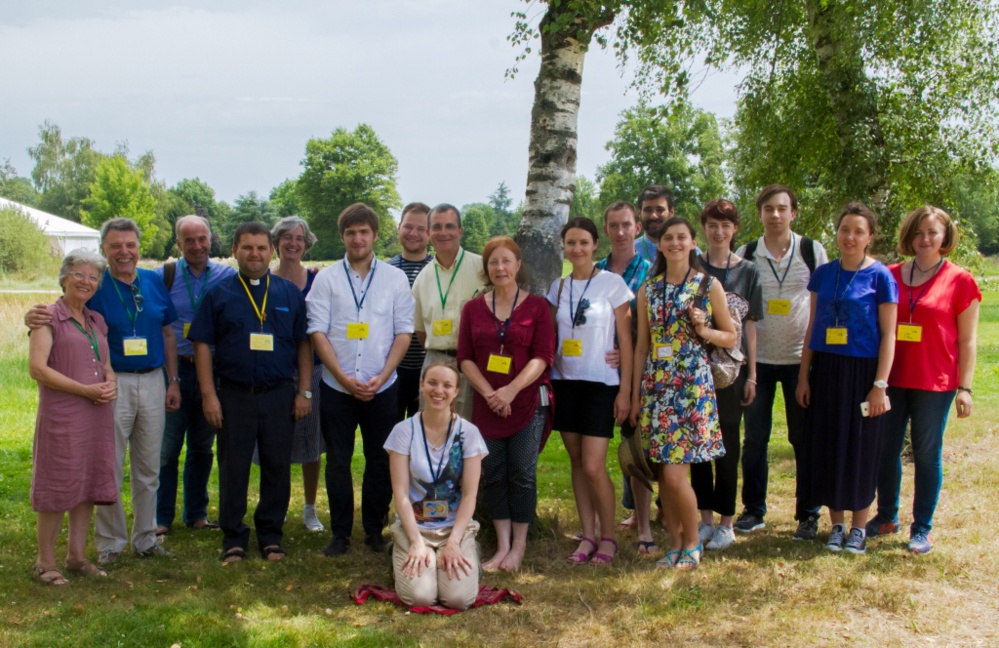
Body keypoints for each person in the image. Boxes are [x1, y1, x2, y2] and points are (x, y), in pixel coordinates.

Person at [26, 218, 181, 565]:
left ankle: (146, 538)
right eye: (115, 246)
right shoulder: (97, 283)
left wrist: (173, 380)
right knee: (109, 463)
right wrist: (32, 317)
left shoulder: (154, 281)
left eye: (130, 245)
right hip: (112, 384)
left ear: (139, 247)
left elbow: (168, 333)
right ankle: (110, 543)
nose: (124, 252)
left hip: (154, 379)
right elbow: (66, 308)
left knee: (149, 465)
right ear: (104, 250)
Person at [188, 222, 313, 563]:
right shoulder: (219, 293)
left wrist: (304, 391)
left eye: (261, 248)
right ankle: (233, 537)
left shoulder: (288, 293)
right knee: (234, 468)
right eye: (247, 247)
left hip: (279, 395)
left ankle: (271, 535)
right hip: (234, 395)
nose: (254, 254)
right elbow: (202, 345)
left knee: (277, 466)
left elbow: (304, 343)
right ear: (234, 251)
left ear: (271, 251)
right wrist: (209, 395)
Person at [866, 206, 980, 554]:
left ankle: (922, 528)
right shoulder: (891, 274)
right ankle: (887, 516)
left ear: (945, 236)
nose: (925, 239)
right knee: (886, 451)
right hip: (893, 379)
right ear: (909, 237)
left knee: (927, 453)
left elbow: (967, 340)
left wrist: (966, 387)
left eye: (932, 232)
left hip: (936, 382)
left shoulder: (961, 280)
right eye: (918, 233)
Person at [307, 203, 415, 557]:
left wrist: (382, 375)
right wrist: (342, 376)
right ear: (342, 236)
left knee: (380, 460)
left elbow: (403, 332)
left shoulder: (395, 279)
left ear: (374, 235)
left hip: (383, 387)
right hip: (337, 387)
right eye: (351, 233)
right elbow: (318, 332)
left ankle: (373, 530)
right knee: (338, 459)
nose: (357, 239)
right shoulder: (326, 279)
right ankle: (340, 534)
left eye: (363, 232)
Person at [630, 217, 737, 569]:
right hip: (657, 387)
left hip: (691, 387)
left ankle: (692, 542)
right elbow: (642, 345)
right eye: (668, 238)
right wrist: (635, 395)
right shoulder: (649, 289)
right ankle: (675, 542)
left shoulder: (708, 285)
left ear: (693, 243)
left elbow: (731, 337)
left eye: (682, 237)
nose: (674, 243)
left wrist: (704, 330)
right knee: (663, 475)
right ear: (659, 245)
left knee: (675, 476)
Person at [795, 201, 898, 555]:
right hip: (826, 370)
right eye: (844, 230)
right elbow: (812, 327)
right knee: (828, 444)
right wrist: (804, 377)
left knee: (861, 447)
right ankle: (836, 524)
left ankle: (858, 528)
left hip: (863, 372)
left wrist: (880, 385)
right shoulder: (824, 274)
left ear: (869, 237)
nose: (849, 237)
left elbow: (889, 335)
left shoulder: (881, 277)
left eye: (858, 231)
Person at [735, 185, 829, 539]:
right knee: (755, 439)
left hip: (799, 361)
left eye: (782, 209)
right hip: (756, 362)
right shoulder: (746, 253)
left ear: (793, 213)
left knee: (803, 438)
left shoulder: (811, 250)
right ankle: (753, 510)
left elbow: (823, 301)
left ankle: (808, 513)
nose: (775, 215)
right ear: (759, 214)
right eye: (768, 209)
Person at [457, 236, 555, 572]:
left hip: (526, 402)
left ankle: (519, 546)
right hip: (488, 405)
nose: (500, 268)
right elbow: (465, 358)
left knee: (522, 474)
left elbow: (543, 357)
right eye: (493, 263)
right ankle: (501, 547)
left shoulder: (537, 307)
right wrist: (489, 394)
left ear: (517, 265)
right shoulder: (472, 309)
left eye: (506, 261)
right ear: (486, 270)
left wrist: (511, 391)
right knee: (494, 474)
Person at [28, 250, 118, 584]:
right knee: (57, 483)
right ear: (64, 277)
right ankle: (44, 562)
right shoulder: (46, 317)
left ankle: (77, 556)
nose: (86, 282)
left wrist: (111, 383)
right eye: (79, 274)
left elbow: (107, 365)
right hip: (63, 415)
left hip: (96, 415)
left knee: (87, 482)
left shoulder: (96, 320)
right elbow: (38, 369)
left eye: (93, 277)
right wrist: (86, 390)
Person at [547, 218, 633, 565]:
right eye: (571, 243)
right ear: (564, 247)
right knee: (577, 463)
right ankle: (587, 535)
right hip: (565, 382)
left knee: (595, 465)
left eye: (583, 242)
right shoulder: (558, 286)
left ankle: (609, 537)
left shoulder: (612, 284)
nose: (577, 249)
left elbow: (625, 339)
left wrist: (625, 390)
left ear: (595, 244)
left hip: (601, 383)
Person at [155, 215, 235, 538]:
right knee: (167, 447)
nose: (197, 245)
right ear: (178, 243)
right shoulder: (165, 275)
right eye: (189, 240)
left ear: (211, 238)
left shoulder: (228, 275)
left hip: (211, 372)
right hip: (173, 371)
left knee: (202, 446)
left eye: (202, 238)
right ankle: (161, 517)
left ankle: (196, 514)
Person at [690, 200, 764, 551]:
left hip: (732, 372)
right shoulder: (693, 266)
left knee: (729, 444)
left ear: (735, 229)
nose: (719, 232)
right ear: (704, 227)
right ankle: (704, 519)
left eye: (726, 225)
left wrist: (751, 374)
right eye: (712, 225)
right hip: (694, 369)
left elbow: (750, 326)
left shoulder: (748, 271)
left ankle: (726, 521)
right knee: (699, 444)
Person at [384, 362, 488, 610]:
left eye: (447, 385)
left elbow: (469, 496)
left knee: (458, 599)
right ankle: (400, 551)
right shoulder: (403, 431)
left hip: (454, 527)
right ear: (421, 385)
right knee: (420, 597)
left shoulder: (469, 433)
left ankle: (468, 549)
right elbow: (400, 495)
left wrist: (454, 542)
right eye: (432, 382)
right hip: (415, 527)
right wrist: (416, 542)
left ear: (456, 392)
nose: (438, 390)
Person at [598, 201, 658, 551]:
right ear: (605, 230)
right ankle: (595, 524)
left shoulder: (651, 272)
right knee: (596, 451)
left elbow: (654, 327)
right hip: (596, 373)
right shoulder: (593, 271)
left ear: (637, 227)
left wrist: (630, 346)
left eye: (626, 225)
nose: (620, 232)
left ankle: (644, 526)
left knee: (635, 449)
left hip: (637, 373)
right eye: (613, 225)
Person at [270, 215, 326, 532]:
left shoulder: (318, 280)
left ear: (307, 244)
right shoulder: (263, 278)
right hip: (274, 372)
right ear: (276, 241)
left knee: (311, 443)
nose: (293, 243)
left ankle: (309, 508)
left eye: (300, 238)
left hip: (313, 371)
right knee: (274, 442)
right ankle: (274, 506)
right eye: (287, 237)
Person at [412, 204, 485, 420]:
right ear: (428, 233)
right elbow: (420, 331)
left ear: (460, 231)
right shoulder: (422, 279)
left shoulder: (482, 269)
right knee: (433, 429)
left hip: (472, 365)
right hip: (435, 362)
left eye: (450, 226)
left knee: (469, 430)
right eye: (437, 227)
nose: (443, 233)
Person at [388, 202, 433, 420]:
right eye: (408, 226)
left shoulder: (439, 271)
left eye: (422, 228)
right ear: (399, 227)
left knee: (425, 437)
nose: (413, 233)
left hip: (429, 368)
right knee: (389, 437)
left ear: (430, 232)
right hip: (391, 369)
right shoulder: (385, 271)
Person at [634, 185, 675, 264]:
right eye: (648, 210)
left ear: (671, 212)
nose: (654, 216)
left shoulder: (688, 251)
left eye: (660, 210)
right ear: (640, 213)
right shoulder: (629, 252)